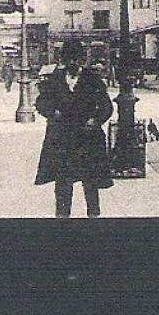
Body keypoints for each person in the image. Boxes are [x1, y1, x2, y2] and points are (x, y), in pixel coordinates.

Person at [34, 40, 114, 217]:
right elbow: (41, 102)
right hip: (62, 139)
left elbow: (106, 107)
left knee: (90, 181)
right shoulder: (54, 80)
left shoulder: (93, 80)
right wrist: (52, 112)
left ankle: (93, 215)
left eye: (77, 60)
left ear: (83, 60)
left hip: (87, 138)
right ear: (63, 60)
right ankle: (62, 218)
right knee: (63, 181)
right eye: (70, 59)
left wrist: (95, 120)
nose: (73, 64)